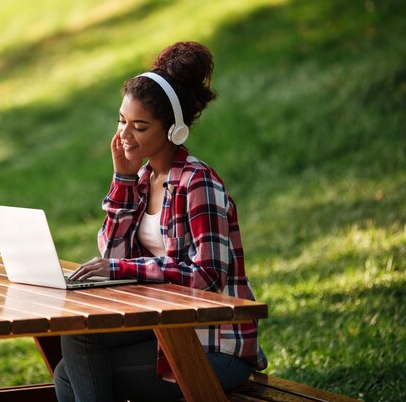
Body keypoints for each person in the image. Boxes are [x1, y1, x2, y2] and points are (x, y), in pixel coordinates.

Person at [53, 41, 267, 402]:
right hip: (166, 328)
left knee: (76, 375)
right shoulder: (142, 179)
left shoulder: (197, 182)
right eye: (122, 121)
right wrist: (122, 178)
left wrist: (121, 268)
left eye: (139, 126)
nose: (124, 134)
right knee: (76, 340)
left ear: (173, 131)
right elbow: (112, 251)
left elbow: (208, 274)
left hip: (216, 345)